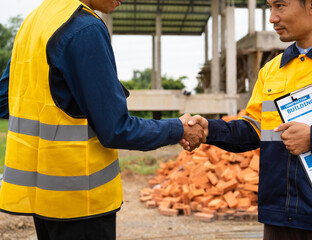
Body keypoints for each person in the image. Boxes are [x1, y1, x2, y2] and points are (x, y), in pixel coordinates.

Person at [0, 0, 205, 239]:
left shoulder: (35, 22)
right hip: (81, 202)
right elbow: (116, 129)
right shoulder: (84, 28)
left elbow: (6, 100)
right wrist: (177, 128)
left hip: (44, 201)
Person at [184, 0, 312, 239]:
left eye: (280, 6)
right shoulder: (271, 70)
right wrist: (209, 130)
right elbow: (254, 129)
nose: (272, 18)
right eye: (270, 7)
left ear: (311, 5)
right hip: (279, 219)